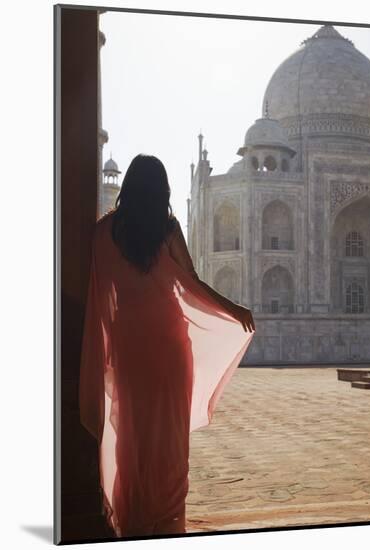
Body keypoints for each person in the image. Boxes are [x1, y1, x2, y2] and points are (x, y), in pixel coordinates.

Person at [79, 154, 255, 539]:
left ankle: (134, 521)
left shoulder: (103, 232)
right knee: (170, 446)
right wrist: (233, 309)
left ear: (126, 186)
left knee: (133, 438)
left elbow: (102, 297)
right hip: (171, 353)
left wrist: (109, 348)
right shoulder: (168, 227)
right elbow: (190, 285)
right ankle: (168, 524)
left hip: (131, 352)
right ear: (163, 190)